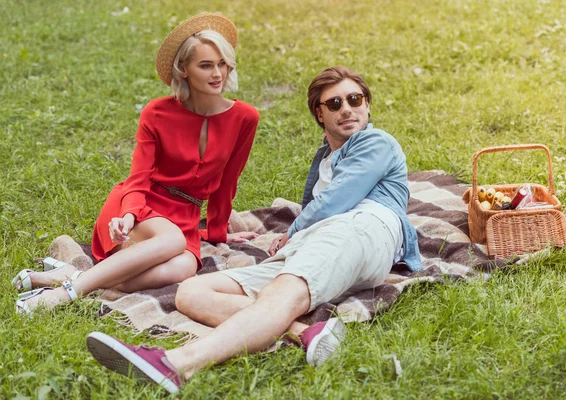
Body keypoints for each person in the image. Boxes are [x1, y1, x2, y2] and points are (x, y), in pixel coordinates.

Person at [85, 66, 422, 394]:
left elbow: (339, 199)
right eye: (335, 103)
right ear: (320, 114)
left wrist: (292, 230)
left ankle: (175, 365)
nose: (348, 108)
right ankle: (304, 333)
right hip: (319, 244)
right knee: (192, 293)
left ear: (367, 104)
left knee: (284, 293)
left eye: (356, 99)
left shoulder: (376, 142)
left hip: (361, 229)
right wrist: (296, 236)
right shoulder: (325, 160)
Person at [12, 13, 259, 313]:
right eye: (205, 65)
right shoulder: (156, 113)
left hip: (185, 217)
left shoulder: (245, 117)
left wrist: (218, 232)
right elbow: (139, 177)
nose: (217, 73)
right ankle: (64, 295)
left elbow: (227, 182)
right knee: (171, 242)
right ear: (183, 69)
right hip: (141, 205)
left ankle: (73, 276)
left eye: (222, 63)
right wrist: (128, 216)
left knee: (182, 267)